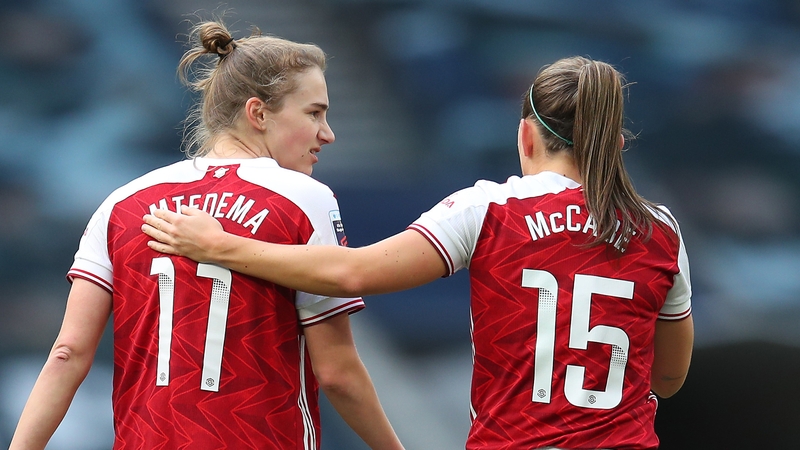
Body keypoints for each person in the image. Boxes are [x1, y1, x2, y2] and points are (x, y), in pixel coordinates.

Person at [142, 56, 694, 449]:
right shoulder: (661, 231)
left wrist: (221, 244)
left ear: (526, 136)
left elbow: (350, 272)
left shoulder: (488, 209)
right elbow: (669, 378)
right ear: (616, 143)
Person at [10, 20, 403, 450]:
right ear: (258, 114)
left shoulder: (121, 203)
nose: (327, 133)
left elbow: (67, 354)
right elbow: (337, 374)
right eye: (314, 113)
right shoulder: (303, 200)